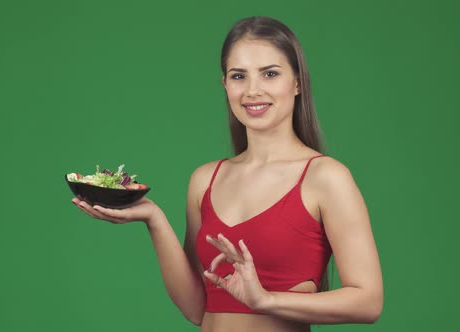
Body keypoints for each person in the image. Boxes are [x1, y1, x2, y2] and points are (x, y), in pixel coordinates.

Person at [72, 16, 383, 332]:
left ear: (298, 82)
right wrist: (154, 219)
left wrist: (265, 300)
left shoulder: (325, 177)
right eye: (238, 76)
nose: (252, 91)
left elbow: (368, 302)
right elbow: (197, 308)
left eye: (270, 74)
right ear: (225, 84)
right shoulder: (206, 179)